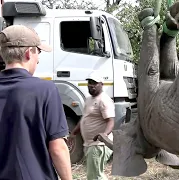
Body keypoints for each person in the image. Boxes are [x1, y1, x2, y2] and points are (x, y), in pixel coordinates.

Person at [0, 25, 72, 180]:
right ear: (28, 53)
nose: (38, 59)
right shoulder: (45, 90)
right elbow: (57, 148)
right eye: (38, 52)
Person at [70, 72, 114, 180]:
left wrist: (104, 135)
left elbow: (110, 121)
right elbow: (84, 118)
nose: (91, 85)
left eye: (94, 83)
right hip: (89, 144)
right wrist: (74, 133)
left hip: (98, 144)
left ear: (101, 84)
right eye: (89, 82)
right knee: (93, 175)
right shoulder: (89, 99)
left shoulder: (104, 100)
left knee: (96, 176)